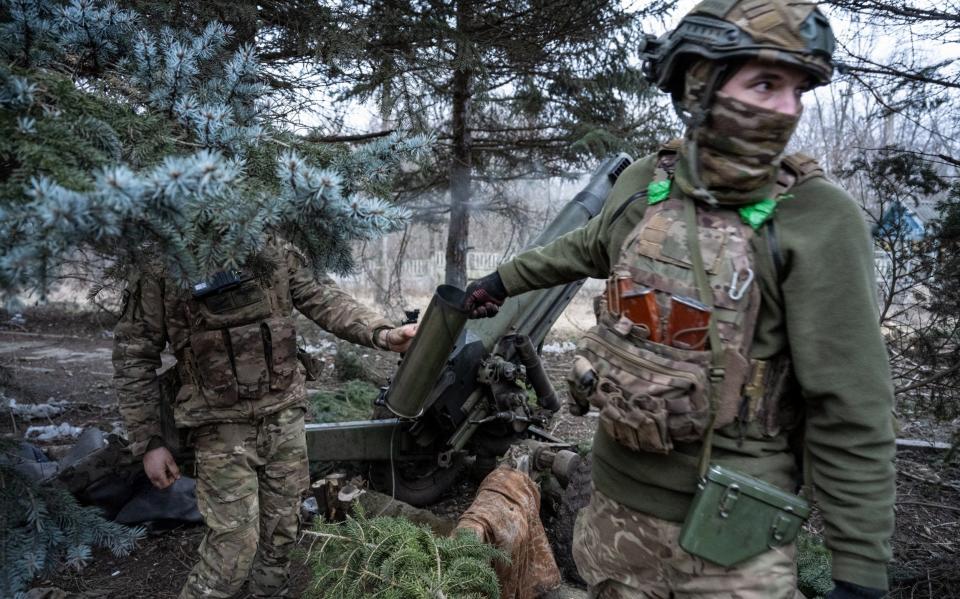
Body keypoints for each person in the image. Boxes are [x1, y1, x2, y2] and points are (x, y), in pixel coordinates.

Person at [464, 2, 896, 598]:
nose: (787, 109)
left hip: (734, 540)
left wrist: (860, 571)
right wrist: (499, 283)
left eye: (799, 91)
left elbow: (853, 409)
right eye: (765, 83)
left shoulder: (818, 219)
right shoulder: (649, 181)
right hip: (613, 511)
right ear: (699, 80)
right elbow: (585, 247)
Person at [112, 239, 416, 599]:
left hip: (283, 417)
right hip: (218, 428)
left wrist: (382, 332)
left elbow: (323, 298)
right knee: (232, 550)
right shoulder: (161, 263)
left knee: (281, 536)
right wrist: (150, 441)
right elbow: (134, 355)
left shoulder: (269, 243)